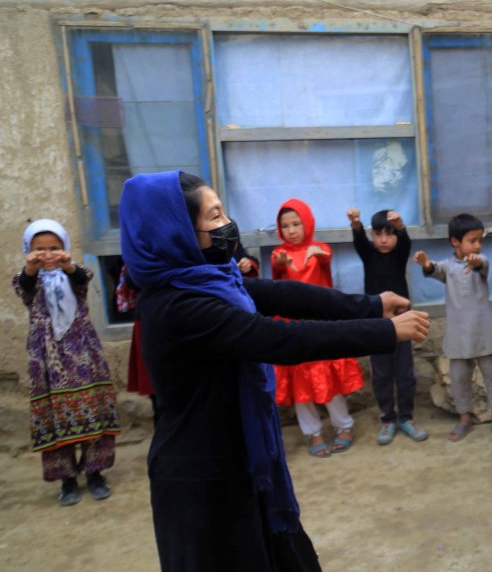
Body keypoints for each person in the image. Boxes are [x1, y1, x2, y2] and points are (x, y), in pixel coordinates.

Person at [120, 171, 428, 571]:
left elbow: (280, 294)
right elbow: (277, 339)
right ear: (176, 231)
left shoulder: (211, 281)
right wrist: (384, 331)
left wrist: (369, 305)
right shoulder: (179, 306)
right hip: (202, 480)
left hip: (239, 460)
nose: (227, 224)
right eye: (214, 217)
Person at [14, 219, 120, 506]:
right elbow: (24, 288)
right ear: (28, 251)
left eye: (54, 247)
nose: (47, 253)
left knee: (93, 410)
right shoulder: (27, 279)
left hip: (83, 353)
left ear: (64, 249)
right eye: (39, 249)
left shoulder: (76, 275)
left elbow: (82, 280)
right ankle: (67, 479)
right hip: (46, 357)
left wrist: (68, 265)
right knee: (54, 416)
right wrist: (31, 268)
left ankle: (95, 472)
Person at [119, 245, 260, 420]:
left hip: (207, 324)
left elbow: (241, 261)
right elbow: (133, 278)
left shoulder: (216, 235)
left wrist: (248, 264)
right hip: (160, 326)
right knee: (165, 401)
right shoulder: (149, 242)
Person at [271, 199, 365, 458]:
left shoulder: (320, 248)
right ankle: (312, 432)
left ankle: (344, 426)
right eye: (285, 225)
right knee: (300, 382)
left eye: (296, 223)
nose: (291, 230)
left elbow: (324, 259)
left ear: (308, 223)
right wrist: (281, 262)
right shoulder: (278, 254)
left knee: (329, 377)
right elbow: (278, 272)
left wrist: (315, 254)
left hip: (322, 322)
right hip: (292, 326)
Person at [413, 214, 492, 442]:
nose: (478, 245)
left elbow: (482, 264)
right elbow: (434, 269)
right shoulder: (447, 267)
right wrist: (426, 264)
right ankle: (464, 419)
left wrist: (475, 262)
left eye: (480, 240)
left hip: (484, 334)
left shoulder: (481, 261)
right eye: (472, 240)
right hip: (458, 338)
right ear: (455, 242)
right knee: (459, 381)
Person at [348, 207, 427, 446]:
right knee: (381, 373)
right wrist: (356, 224)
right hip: (376, 323)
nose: (383, 239)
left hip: (402, 320)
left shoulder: (399, 255)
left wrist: (401, 228)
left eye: (389, 234)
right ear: (372, 236)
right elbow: (360, 243)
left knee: (405, 373)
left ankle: (407, 417)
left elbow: (404, 243)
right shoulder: (369, 255)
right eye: (378, 234)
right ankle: (387, 419)